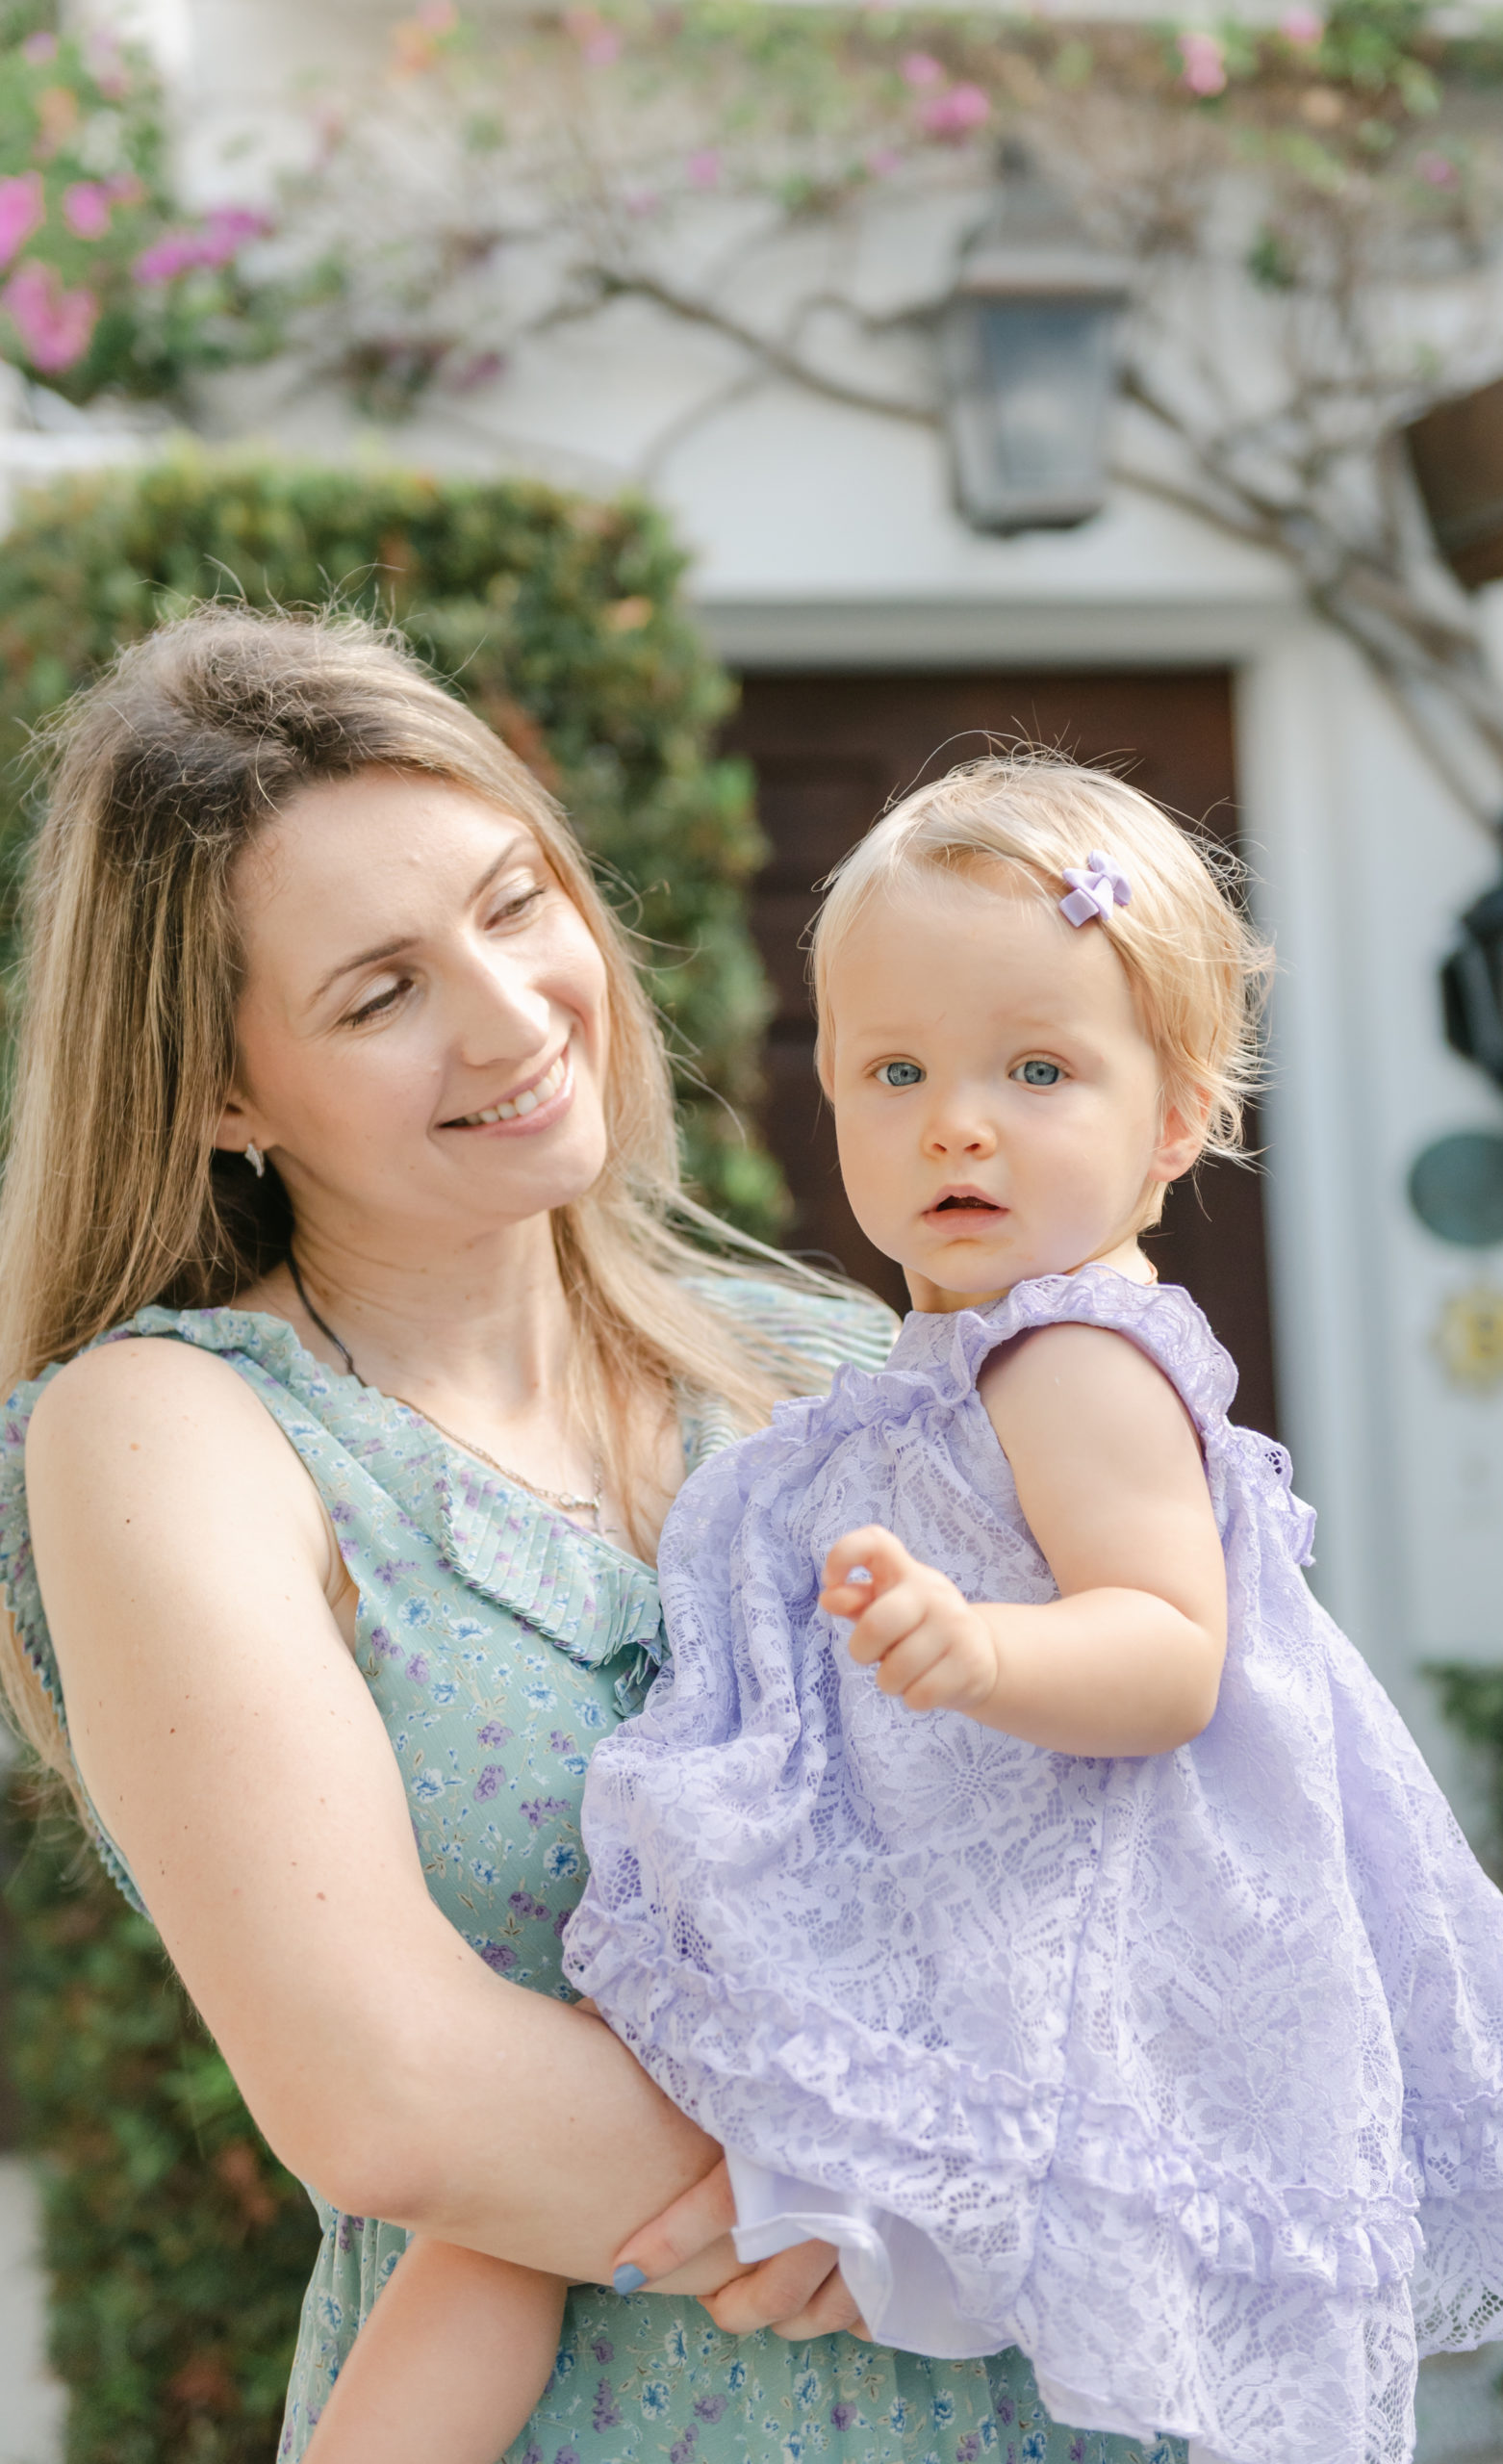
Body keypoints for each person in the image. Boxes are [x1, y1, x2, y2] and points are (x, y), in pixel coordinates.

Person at [314, 756, 1503, 2464]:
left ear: (1171, 1120)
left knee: (494, 2230)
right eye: (895, 1070)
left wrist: (976, 1648)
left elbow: (1169, 1655)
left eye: (1035, 1070)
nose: (956, 1120)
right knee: (498, 2226)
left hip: (989, 1972)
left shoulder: (1074, 1356)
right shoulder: (950, 1360)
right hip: (943, 1930)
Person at [0, 612, 1159, 2464]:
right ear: (220, 1092)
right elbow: (386, 2087)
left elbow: (1128, 1860)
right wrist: (942, 2203)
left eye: (516, 903)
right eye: (377, 995)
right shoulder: (174, 1430)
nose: (513, 1013)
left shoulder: (833, 1364)